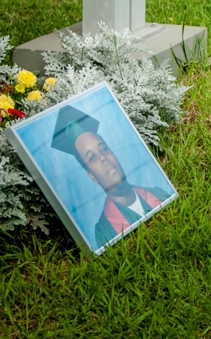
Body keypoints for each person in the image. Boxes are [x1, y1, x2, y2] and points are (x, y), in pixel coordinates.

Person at [51, 105, 170, 248]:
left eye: (104, 149)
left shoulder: (159, 194)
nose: (103, 157)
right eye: (92, 157)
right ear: (92, 177)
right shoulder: (104, 232)